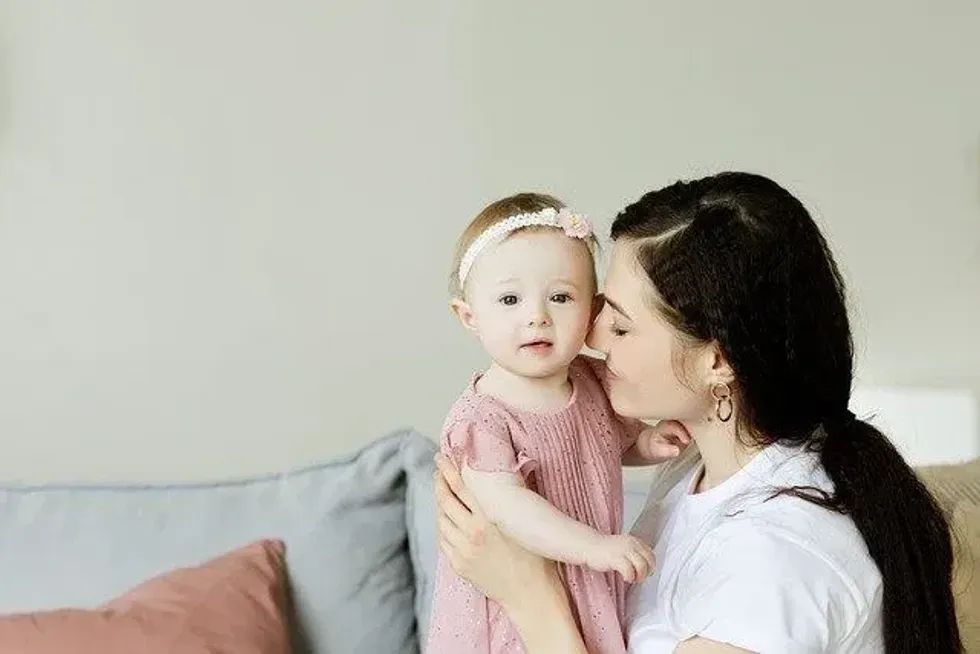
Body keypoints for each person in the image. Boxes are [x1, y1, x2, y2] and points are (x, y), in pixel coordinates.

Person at [432, 173, 961, 653]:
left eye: (618, 325)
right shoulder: (700, 467)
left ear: (717, 360)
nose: (588, 338)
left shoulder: (771, 566)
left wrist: (529, 594)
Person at [426, 193, 691, 654]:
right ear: (469, 316)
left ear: (592, 311)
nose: (536, 316)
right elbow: (506, 507)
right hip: (512, 598)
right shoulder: (482, 419)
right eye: (510, 299)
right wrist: (594, 547)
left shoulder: (591, 380)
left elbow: (603, 445)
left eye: (561, 297)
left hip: (584, 582)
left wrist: (646, 443)